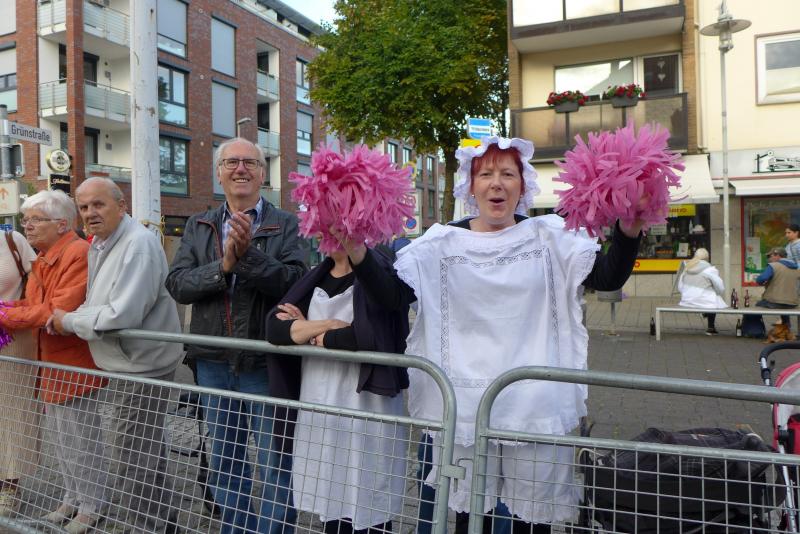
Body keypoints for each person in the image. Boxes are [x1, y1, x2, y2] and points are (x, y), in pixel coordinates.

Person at [338, 137, 642, 533]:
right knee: (471, 516)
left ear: (522, 185)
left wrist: (629, 231)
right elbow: (393, 295)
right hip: (465, 405)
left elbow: (606, 277)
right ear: (471, 185)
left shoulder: (550, 237)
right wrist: (357, 253)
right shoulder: (440, 243)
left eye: (507, 174)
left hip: (534, 406)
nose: (496, 183)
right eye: (486, 174)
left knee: (532, 519)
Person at [165, 137, 308, 534]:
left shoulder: (287, 223)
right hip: (213, 362)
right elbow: (178, 284)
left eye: (250, 162)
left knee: (276, 460)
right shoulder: (199, 224)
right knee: (225, 460)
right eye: (231, 162)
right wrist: (224, 266)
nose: (240, 168)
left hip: (266, 362)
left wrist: (248, 258)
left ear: (262, 173)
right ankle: (237, 528)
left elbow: (296, 282)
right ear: (218, 173)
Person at [49, 177, 183, 534]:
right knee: (144, 453)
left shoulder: (137, 244)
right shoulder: (102, 242)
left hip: (142, 366)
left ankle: (144, 526)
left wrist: (69, 321)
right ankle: (160, 524)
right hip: (130, 363)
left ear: (121, 206)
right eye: (84, 207)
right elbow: (101, 302)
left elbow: (122, 313)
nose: (90, 213)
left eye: (98, 204)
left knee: (131, 456)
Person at [266, 244, 409, 534]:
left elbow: (372, 336)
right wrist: (328, 325)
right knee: (332, 499)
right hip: (322, 404)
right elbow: (275, 328)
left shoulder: (380, 271)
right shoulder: (315, 276)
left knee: (369, 499)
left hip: (366, 407)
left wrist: (309, 332)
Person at [0, 190, 108, 534]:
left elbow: (54, 309)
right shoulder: (45, 257)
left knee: (82, 439)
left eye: (35, 220)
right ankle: (72, 498)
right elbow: (32, 305)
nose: (27, 226)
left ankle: (91, 506)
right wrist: (7, 309)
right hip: (52, 363)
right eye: (25, 220)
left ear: (61, 224)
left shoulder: (77, 253)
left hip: (73, 363)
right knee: (63, 441)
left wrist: (4, 314)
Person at [0, 230, 39, 518]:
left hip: (13, 339)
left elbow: (39, 282)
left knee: (14, 411)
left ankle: (10, 485)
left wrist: (18, 311)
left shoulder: (12, 241)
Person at [677, 248, 726, 335]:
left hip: (687, 301)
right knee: (715, 298)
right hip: (704, 301)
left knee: (710, 297)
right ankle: (711, 328)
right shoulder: (710, 269)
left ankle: (706, 313)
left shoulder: (686, 268)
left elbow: (680, 288)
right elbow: (720, 287)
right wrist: (716, 292)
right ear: (707, 258)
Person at [755, 246, 800, 332]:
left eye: (770, 256)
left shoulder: (773, 266)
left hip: (774, 303)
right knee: (784, 304)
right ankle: (786, 327)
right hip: (793, 303)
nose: (769, 258)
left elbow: (761, 279)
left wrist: (760, 281)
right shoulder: (796, 268)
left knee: (756, 307)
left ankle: (755, 330)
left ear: (777, 255)